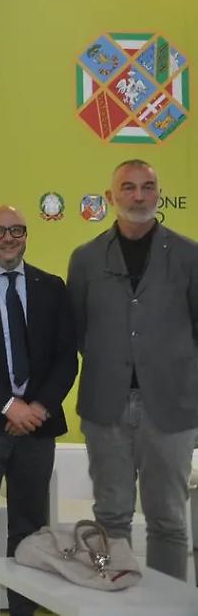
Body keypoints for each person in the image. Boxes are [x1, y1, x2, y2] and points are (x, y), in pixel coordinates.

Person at [68, 159, 198, 581]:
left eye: (147, 187)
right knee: (110, 519)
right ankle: (112, 602)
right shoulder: (86, 259)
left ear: (158, 194)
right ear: (111, 197)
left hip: (172, 409)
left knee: (169, 521)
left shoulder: (189, 256)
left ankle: (170, 608)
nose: (138, 196)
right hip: (106, 407)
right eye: (128, 187)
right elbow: (77, 330)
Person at [0, 205, 77, 616]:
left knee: (30, 529)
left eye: (16, 230)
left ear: (26, 234)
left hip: (37, 428)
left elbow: (65, 358)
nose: (8, 238)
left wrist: (36, 407)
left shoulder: (52, 286)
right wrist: (9, 406)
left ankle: (24, 609)